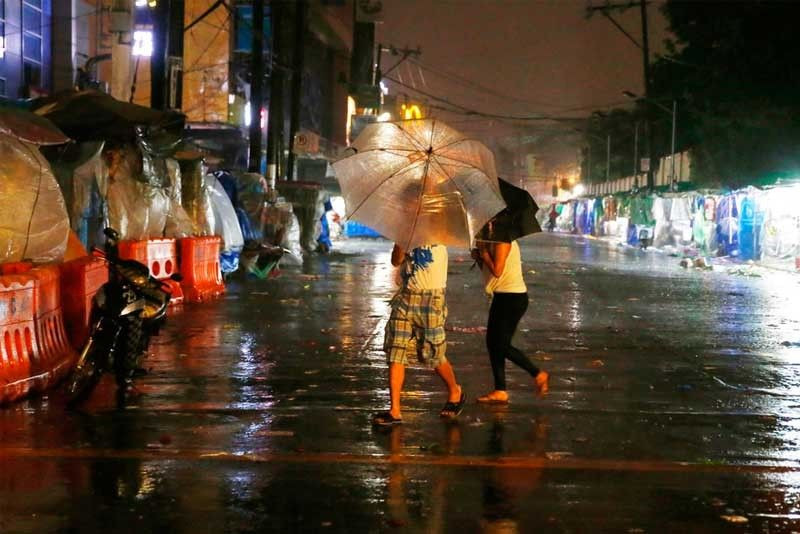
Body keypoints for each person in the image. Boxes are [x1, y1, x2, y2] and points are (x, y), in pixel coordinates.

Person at [372, 243, 465, 425]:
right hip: (405, 297)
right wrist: (402, 245)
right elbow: (395, 261)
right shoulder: (408, 232)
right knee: (395, 350)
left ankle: (455, 390)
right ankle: (395, 410)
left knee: (432, 354)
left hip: (432, 299)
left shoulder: (441, 233)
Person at [472, 240, 548, 404]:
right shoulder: (492, 241)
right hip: (502, 296)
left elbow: (497, 271)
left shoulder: (503, 242)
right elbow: (491, 274)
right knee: (493, 344)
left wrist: (484, 253)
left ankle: (537, 374)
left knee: (500, 345)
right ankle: (500, 390)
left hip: (512, 298)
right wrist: (479, 258)